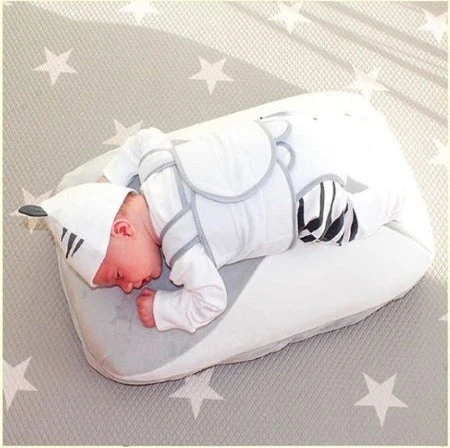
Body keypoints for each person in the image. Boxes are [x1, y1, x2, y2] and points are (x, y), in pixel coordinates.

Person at [19, 111, 406, 334]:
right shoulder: (157, 166)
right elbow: (143, 139)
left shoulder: (183, 249)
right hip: (288, 134)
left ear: (123, 229)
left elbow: (211, 301)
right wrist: (110, 179)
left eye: (118, 274)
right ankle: (355, 133)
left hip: (306, 197)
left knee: (340, 225)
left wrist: (165, 311)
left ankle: (391, 200)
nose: (127, 287)